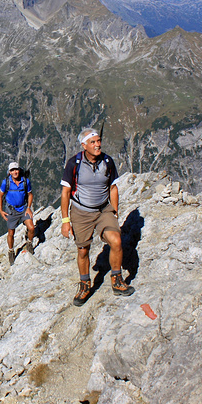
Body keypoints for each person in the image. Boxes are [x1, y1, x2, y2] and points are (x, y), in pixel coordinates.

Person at [61, 128, 134, 307]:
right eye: (93, 142)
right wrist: (65, 221)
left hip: (103, 210)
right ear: (84, 145)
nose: (97, 145)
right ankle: (85, 284)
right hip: (81, 212)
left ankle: (117, 280)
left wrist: (114, 211)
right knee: (83, 250)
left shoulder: (107, 161)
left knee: (116, 241)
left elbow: (113, 188)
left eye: (99, 141)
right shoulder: (74, 163)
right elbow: (66, 192)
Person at [0, 161, 34, 265]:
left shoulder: (25, 181)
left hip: (23, 209)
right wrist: (1, 211)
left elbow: (30, 194)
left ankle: (29, 243)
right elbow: (0, 196)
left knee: (31, 227)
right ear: (9, 172)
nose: (15, 172)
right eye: (12, 170)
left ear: (19, 170)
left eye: (16, 169)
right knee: (11, 233)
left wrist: (28, 207)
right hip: (11, 210)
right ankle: (11, 251)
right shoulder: (6, 182)